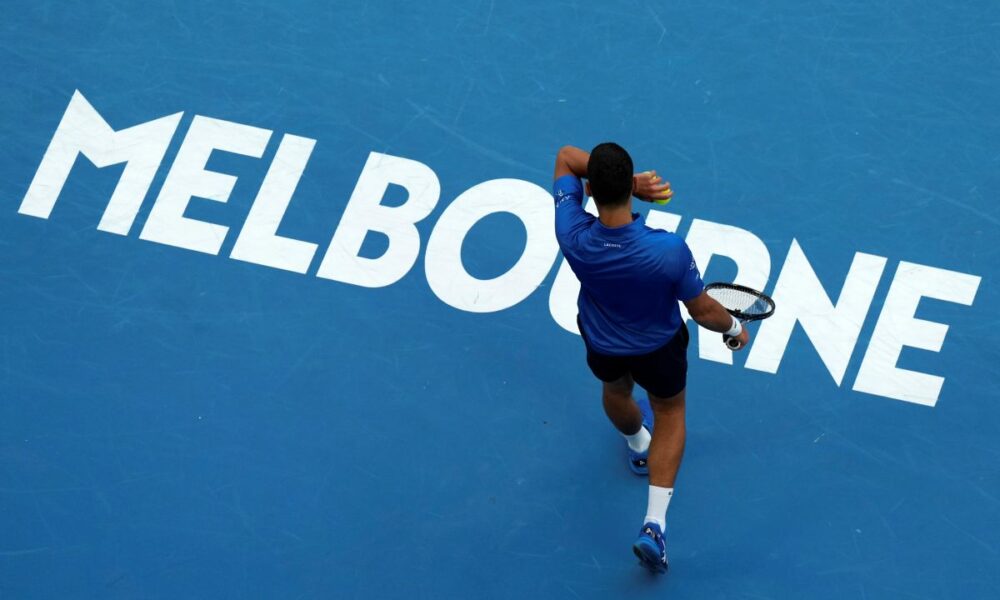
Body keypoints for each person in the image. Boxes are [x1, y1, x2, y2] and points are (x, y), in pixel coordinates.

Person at [552, 143, 750, 573]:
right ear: (631, 188)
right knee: (670, 412)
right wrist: (734, 329)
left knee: (615, 389)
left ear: (590, 191)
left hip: (602, 343)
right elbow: (703, 310)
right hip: (658, 350)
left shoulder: (571, 233)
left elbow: (566, 155)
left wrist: (621, 183)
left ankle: (638, 443)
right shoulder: (667, 250)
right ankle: (654, 526)